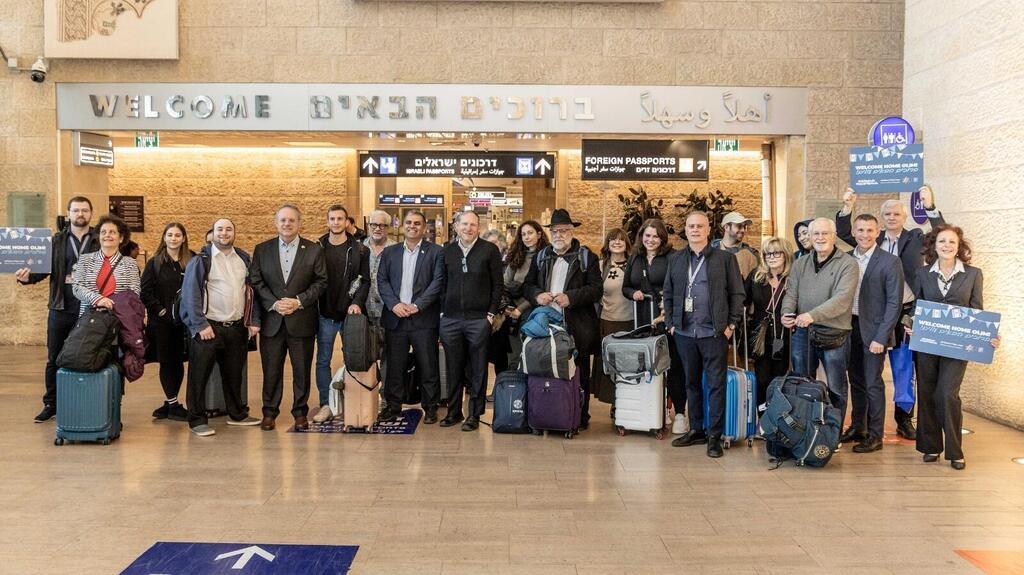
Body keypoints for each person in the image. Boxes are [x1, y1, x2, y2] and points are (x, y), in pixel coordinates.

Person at [837, 185, 945, 440]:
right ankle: (860, 424)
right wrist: (847, 206)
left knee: (903, 369)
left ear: (904, 217)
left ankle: (904, 419)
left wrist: (930, 206)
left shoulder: (916, 237)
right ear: (881, 218)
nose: (892, 217)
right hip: (872, 313)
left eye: (897, 213)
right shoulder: (871, 237)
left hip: (905, 311)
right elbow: (843, 230)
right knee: (865, 373)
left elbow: (940, 232)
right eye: (888, 214)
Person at [910, 225, 998, 470]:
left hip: (959, 346)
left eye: (951, 242)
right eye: (942, 241)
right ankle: (930, 447)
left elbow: (977, 311)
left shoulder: (973, 274)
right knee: (927, 392)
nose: (946, 246)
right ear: (933, 246)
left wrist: (988, 336)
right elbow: (916, 307)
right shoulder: (923, 273)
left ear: (959, 247)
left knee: (947, 393)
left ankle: (955, 451)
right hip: (927, 344)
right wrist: (912, 325)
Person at [664, 211, 745, 457]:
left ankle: (714, 436)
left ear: (709, 230)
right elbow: (668, 293)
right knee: (691, 383)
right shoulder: (676, 259)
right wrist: (670, 323)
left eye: (700, 226)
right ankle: (696, 429)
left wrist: (730, 325)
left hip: (714, 332)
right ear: (686, 230)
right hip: (685, 332)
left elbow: (737, 294)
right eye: (691, 226)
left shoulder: (725, 259)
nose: (695, 230)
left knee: (715, 385)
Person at [15, 196, 97, 423]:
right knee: (54, 358)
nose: (80, 214)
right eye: (76, 210)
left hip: (90, 309)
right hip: (61, 307)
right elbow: (40, 272)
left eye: (84, 210)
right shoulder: (56, 241)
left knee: (91, 357)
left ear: (91, 214)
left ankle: (88, 402)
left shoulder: (100, 240)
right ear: (68, 214)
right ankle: (51, 403)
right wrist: (25, 278)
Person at [179, 218, 263, 437]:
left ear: (234, 233)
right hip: (208, 328)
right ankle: (197, 420)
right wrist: (199, 324)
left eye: (228, 229)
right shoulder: (201, 260)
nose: (224, 233)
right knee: (199, 376)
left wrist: (253, 320)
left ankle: (237, 414)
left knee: (234, 374)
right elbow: (190, 295)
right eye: (220, 229)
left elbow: (251, 291)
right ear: (213, 233)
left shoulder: (243, 258)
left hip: (236, 328)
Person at [250, 204, 328, 432]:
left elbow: (321, 282)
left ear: (299, 223)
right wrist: (274, 304)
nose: (287, 224)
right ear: (276, 223)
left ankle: (300, 413)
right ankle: (269, 413)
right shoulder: (262, 249)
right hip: (272, 322)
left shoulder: (314, 250)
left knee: (301, 371)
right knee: (271, 370)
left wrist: (298, 301)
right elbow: (256, 280)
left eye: (291, 220)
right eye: (283, 220)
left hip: (301, 320)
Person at [524, 209, 602, 428]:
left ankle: (579, 415)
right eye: (555, 231)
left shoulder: (587, 257)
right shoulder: (542, 256)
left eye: (564, 230)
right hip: (546, 326)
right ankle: (551, 412)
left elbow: (596, 289)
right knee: (548, 368)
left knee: (579, 371)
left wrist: (571, 297)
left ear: (572, 231)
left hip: (577, 326)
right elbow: (527, 286)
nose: (559, 235)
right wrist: (537, 295)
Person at [781, 217, 858, 429]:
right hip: (802, 333)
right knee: (802, 382)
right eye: (816, 234)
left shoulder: (848, 264)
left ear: (834, 236)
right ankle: (805, 429)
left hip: (835, 333)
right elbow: (791, 293)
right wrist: (786, 312)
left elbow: (842, 301)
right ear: (810, 237)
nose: (821, 238)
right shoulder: (800, 263)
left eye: (825, 233)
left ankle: (834, 431)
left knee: (836, 387)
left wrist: (812, 315)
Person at [842, 214, 904, 453]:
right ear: (854, 233)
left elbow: (894, 303)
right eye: (860, 230)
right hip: (849, 328)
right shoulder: (846, 258)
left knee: (872, 383)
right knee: (855, 381)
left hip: (874, 332)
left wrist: (882, 336)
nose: (865, 235)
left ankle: (875, 435)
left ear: (877, 232)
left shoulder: (889, 262)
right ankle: (859, 427)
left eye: (869, 230)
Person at [377, 210, 446, 424]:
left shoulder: (436, 252)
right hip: (396, 317)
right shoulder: (390, 253)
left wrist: (417, 305)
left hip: (423, 319)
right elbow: (382, 281)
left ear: (424, 228)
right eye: (408, 222)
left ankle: (430, 406)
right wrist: (394, 304)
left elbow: (437, 283)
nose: (412, 226)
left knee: (428, 364)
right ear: (402, 225)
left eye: (417, 223)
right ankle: (393, 405)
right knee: (395, 365)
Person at [440, 210, 503, 431]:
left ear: (479, 228)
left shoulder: (489, 250)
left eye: (473, 225)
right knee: (453, 367)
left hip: (478, 319)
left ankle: (474, 415)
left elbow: (498, 285)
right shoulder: (447, 251)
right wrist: (442, 312)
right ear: (456, 226)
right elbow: (441, 283)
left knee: (478, 369)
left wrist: (490, 313)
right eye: (464, 224)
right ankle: (453, 412)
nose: (469, 228)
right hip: (451, 319)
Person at [622, 219, 687, 434]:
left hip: (666, 320)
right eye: (647, 235)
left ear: (662, 238)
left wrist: (667, 306)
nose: (651, 240)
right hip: (643, 319)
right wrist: (633, 293)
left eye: (655, 236)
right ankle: (651, 408)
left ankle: (678, 413)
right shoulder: (635, 257)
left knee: (673, 365)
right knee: (648, 365)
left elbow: (681, 286)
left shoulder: (673, 257)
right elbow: (626, 287)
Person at [312, 205, 370, 424]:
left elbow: (364, 280)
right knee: (323, 360)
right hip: (324, 313)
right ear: (327, 222)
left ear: (347, 222)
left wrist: (356, 303)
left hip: (349, 314)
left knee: (352, 358)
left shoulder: (359, 249)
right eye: (332, 219)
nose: (336, 222)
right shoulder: (316, 247)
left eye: (340, 219)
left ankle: (353, 401)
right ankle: (326, 404)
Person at [140, 222, 194, 421]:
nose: (174, 238)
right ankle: (172, 404)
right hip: (162, 323)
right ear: (164, 237)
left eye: (178, 235)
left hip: (185, 323)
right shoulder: (155, 263)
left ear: (184, 238)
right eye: (170, 234)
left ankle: (170, 402)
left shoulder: (192, 260)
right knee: (168, 362)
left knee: (179, 362)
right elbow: (145, 292)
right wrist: (162, 311)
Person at [744, 236, 794, 408]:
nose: (771, 257)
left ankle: (777, 418)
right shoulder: (756, 276)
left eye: (776, 253)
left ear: (786, 254)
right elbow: (742, 299)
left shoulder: (793, 278)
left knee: (780, 380)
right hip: (761, 337)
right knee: (762, 379)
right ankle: (762, 419)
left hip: (785, 337)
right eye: (767, 254)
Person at [592, 227, 632, 410]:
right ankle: (614, 404)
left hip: (630, 322)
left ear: (626, 243)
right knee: (610, 364)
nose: (617, 242)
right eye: (613, 240)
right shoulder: (601, 266)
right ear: (607, 244)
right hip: (607, 321)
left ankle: (626, 403)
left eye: (621, 239)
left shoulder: (633, 265)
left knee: (628, 364)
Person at [71, 214, 141, 313]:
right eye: (103, 232)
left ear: (121, 238)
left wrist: (113, 305)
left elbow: (135, 292)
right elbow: (77, 288)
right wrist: (98, 299)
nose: (107, 235)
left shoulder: (130, 263)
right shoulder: (85, 259)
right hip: (91, 319)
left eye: (112, 232)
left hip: (120, 319)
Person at [503, 220, 549, 365]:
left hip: (534, 310)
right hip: (513, 311)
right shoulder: (517, 255)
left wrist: (521, 308)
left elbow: (541, 289)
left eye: (530, 233)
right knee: (514, 356)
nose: (527, 237)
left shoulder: (546, 257)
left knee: (532, 354)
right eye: (523, 234)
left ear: (539, 234)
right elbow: (505, 282)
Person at [363, 210, 395, 325]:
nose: (377, 228)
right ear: (368, 226)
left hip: (389, 310)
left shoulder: (396, 250)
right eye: (374, 224)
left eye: (382, 225)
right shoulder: (359, 248)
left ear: (388, 228)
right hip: (362, 310)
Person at [712, 211, 760, 279]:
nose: (743, 230)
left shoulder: (751, 254)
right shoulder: (711, 250)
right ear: (726, 227)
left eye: (744, 227)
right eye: (739, 226)